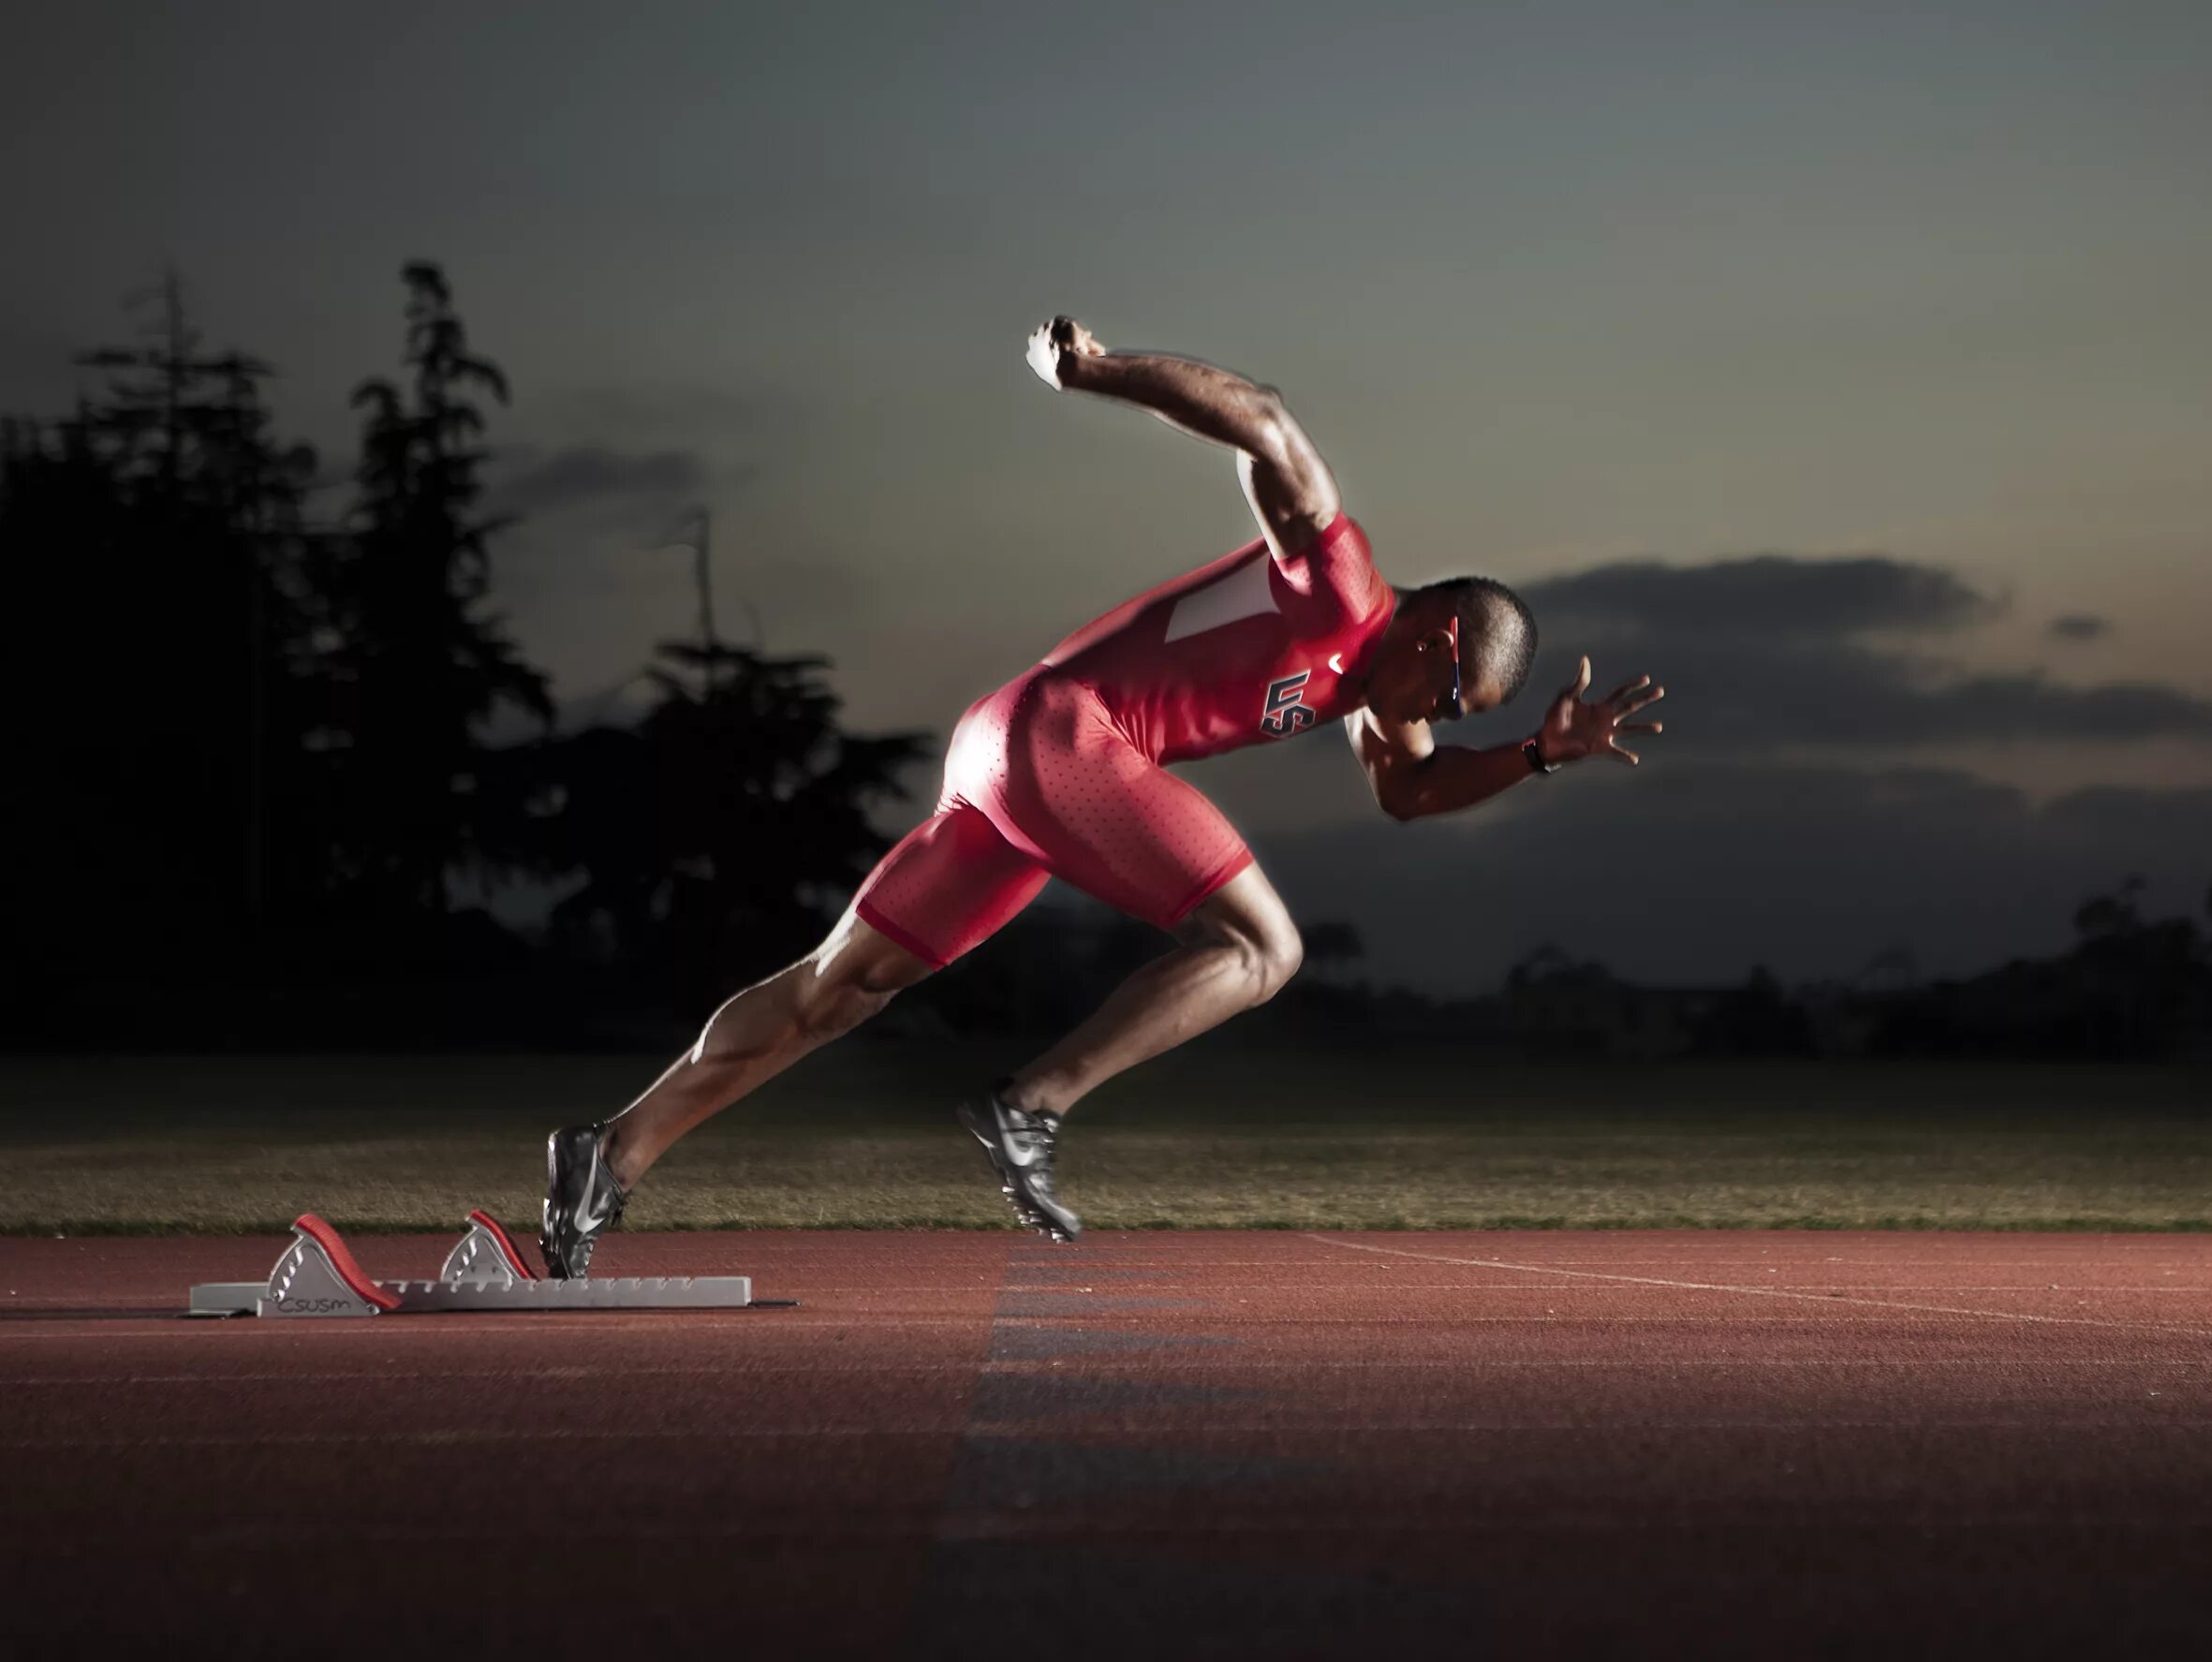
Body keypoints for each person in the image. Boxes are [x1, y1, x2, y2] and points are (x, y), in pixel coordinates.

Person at [539, 316, 1667, 1271]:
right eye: (1450, 693)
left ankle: (610, 1151)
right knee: (1268, 948)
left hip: (1007, 753)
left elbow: (1410, 795)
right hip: (1067, 740)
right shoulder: (1340, 583)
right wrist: (1098, 368)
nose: (1432, 715)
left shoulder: (1376, 686)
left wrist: (1534, 755)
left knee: (837, 991)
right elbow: (1266, 420)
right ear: (1442, 628)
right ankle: (1032, 1104)